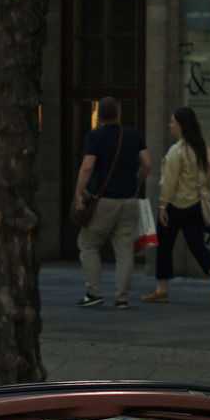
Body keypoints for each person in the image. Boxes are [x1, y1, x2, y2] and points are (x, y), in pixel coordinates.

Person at [143, 106, 210, 304]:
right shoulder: (203, 148)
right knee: (198, 246)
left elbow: (170, 181)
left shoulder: (177, 151)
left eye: (173, 121)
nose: (170, 125)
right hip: (196, 205)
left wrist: (163, 206)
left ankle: (161, 289)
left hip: (175, 206)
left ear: (181, 125)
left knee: (165, 246)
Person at [74, 97, 150, 308]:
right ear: (118, 114)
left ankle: (94, 292)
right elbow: (147, 164)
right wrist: (137, 183)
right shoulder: (132, 135)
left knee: (88, 244)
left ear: (99, 116)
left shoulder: (94, 136)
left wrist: (78, 192)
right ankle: (122, 297)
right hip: (129, 200)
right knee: (125, 250)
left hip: (106, 200)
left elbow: (87, 166)